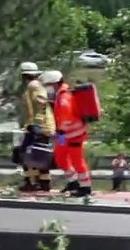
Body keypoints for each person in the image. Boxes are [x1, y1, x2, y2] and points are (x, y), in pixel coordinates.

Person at [17, 61, 55, 192]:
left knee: (25, 153)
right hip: (41, 126)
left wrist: (35, 125)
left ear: (24, 75)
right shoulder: (36, 85)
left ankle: (31, 182)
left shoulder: (33, 86)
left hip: (38, 126)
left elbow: (40, 104)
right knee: (40, 153)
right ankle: (44, 182)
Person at [52, 80, 93, 197]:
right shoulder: (61, 95)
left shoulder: (64, 97)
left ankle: (85, 187)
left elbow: (67, 117)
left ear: (54, 84)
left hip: (75, 134)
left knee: (77, 160)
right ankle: (73, 182)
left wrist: (61, 129)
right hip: (63, 135)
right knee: (60, 157)